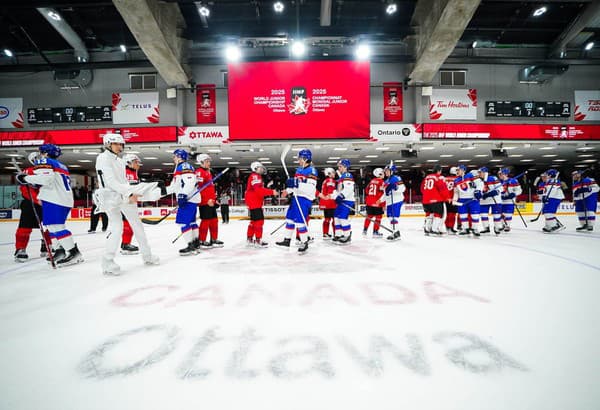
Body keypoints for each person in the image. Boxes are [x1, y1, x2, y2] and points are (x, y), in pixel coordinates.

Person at [94, 134, 160, 274]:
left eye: (121, 144)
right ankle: (108, 261)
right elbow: (110, 182)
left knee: (138, 226)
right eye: (116, 144)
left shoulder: (119, 160)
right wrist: (129, 193)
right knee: (117, 228)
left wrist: (131, 192)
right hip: (111, 197)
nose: (120, 147)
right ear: (108, 144)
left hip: (123, 195)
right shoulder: (103, 158)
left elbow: (123, 181)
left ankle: (147, 256)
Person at [17, 143, 83, 267]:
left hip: (55, 199)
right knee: (52, 227)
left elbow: (46, 179)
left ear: (45, 153)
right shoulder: (60, 164)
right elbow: (50, 180)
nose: (40, 154)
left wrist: (26, 178)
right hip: (59, 198)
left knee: (57, 227)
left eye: (41, 152)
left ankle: (74, 253)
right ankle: (60, 251)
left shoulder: (44, 160)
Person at [276, 148, 318, 253]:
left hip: (304, 199)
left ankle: (304, 242)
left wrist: (296, 183)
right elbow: (294, 186)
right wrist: (288, 190)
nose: (298, 160)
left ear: (305, 158)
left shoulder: (312, 171)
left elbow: (310, 188)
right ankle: (287, 240)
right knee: (289, 219)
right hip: (296, 198)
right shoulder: (299, 170)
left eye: (300, 158)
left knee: (300, 221)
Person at [13, 152, 51, 262]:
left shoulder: (49, 171)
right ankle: (20, 249)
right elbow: (25, 190)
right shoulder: (28, 172)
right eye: (36, 158)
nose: (39, 159)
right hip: (30, 203)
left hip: (47, 202)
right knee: (25, 227)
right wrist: (37, 199)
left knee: (49, 227)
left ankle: (48, 245)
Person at [166, 149, 201, 255]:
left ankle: (191, 246)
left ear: (180, 157)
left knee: (183, 222)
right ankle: (195, 245)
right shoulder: (180, 167)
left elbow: (190, 181)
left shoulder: (184, 166)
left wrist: (183, 195)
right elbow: (176, 184)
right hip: (190, 199)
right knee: (191, 222)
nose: (173, 158)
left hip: (188, 199)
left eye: (174, 156)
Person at [245, 161, 278, 247]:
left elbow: (258, 190)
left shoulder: (256, 176)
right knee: (259, 221)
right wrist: (271, 192)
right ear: (255, 168)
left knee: (253, 221)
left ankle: (250, 238)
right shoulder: (255, 176)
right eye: (260, 167)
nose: (262, 169)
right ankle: (258, 240)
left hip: (253, 202)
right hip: (254, 203)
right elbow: (258, 191)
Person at [195, 154, 223, 248]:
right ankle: (202, 241)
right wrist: (206, 200)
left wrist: (214, 200)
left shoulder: (208, 172)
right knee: (206, 221)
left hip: (211, 201)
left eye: (209, 161)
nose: (209, 163)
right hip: (205, 202)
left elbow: (209, 189)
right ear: (201, 162)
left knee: (214, 220)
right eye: (207, 161)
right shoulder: (199, 172)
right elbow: (199, 188)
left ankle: (213, 239)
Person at [119, 154, 143, 254]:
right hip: (124, 203)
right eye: (135, 162)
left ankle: (125, 243)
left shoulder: (133, 173)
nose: (138, 164)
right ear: (128, 162)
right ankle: (125, 244)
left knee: (130, 224)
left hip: (130, 203)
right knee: (129, 224)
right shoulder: (123, 173)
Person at [453, 164, 483, 236]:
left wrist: (478, 191)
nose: (457, 171)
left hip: (473, 199)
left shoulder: (470, 175)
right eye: (456, 170)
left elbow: (480, 183)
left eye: (458, 170)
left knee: (475, 215)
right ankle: (465, 228)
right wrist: (454, 199)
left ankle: (475, 229)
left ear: (463, 170)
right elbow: (456, 192)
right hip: (462, 199)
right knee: (463, 215)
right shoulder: (456, 180)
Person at [331, 159, 356, 244]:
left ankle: (347, 235)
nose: (339, 168)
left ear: (345, 167)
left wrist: (341, 196)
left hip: (346, 200)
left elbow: (349, 188)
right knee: (336, 217)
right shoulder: (342, 177)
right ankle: (338, 234)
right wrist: (335, 196)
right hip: (342, 200)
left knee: (342, 218)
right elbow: (339, 190)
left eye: (340, 166)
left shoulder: (347, 175)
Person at [421, 164, 449, 236]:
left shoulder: (427, 177)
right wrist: (447, 197)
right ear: (439, 171)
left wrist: (427, 196)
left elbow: (422, 189)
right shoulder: (439, 177)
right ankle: (434, 230)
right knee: (438, 215)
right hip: (436, 200)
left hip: (425, 200)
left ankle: (427, 229)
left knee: (429, 214)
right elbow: (443, 189)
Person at [537, 169, 565, 233]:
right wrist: (543, 196)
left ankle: (555, 226)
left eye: (547, 174)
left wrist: (546, 197)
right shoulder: (549, 181)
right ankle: (549, 225)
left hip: (554, 198)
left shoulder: (555, 181)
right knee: (547, 212)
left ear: (551, 175)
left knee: (549, 212)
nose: (546, 176)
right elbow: (547, 191)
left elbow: (553, 191)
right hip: (551, 198)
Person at [383, 162, 405, 241]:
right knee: (390, 217)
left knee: (393, 217)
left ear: (392, 171)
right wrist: (381, 200)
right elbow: (386, 193)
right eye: (385, 171)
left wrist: (395, 188)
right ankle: (396, 232)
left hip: (396, 201)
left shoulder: (396, 178)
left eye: (387, 170)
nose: (386, 172)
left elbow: (403, 189)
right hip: (389, 202)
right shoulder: (386, 181)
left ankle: (395, 233)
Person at [478, 166, 503, 235]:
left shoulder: (493, 178)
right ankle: (486, 228)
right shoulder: (478, 180)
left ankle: (497, 227)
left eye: (481, 172)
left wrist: (495, 192)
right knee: (483, 215)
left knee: (496, 215)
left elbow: (501, 188)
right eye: (479, 172)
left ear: (485, 173)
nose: (479, 174)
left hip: (495, 200)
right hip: (483, 201)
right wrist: (480, 195)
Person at [363, 167, 385, 238]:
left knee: (369, 217)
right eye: (383, 173)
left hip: (369, 202)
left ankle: (365, 230)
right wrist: (383, 204)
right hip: (378, 203)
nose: (384, 174)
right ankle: (375, 232)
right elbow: (383, 194)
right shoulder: (382, 182)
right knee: (378, 218)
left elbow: (366, 191)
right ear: (380, 174)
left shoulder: (371, 181)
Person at [497, 168, 522, 232]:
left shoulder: (513, 181)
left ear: (505, 174)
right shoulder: (498, 181)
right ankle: (502, 225)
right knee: (500, 214)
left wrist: (514, 194)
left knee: (508, 214)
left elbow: (519, 190)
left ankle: (507, 225)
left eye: (500, 174)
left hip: (510, 201)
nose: (499, 175)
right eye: (499, 174)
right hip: (500, 200)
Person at [318, 167, 337, 239]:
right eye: (333, 172)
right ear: (328, 173)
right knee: (334, 219)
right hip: (330, 203)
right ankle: (336, 233)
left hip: (325, 202)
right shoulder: (330, 180)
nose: (334, 173)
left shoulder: (325, 180)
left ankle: (325, 233)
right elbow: (330, 192)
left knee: (327, 219)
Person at [444, 167, 459, 234]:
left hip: (446, 199)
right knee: (452, 214)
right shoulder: (457, 179)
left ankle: (447, 227)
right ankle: (451, 227)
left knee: (447, 214)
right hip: (453, 199)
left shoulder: (445, 178)